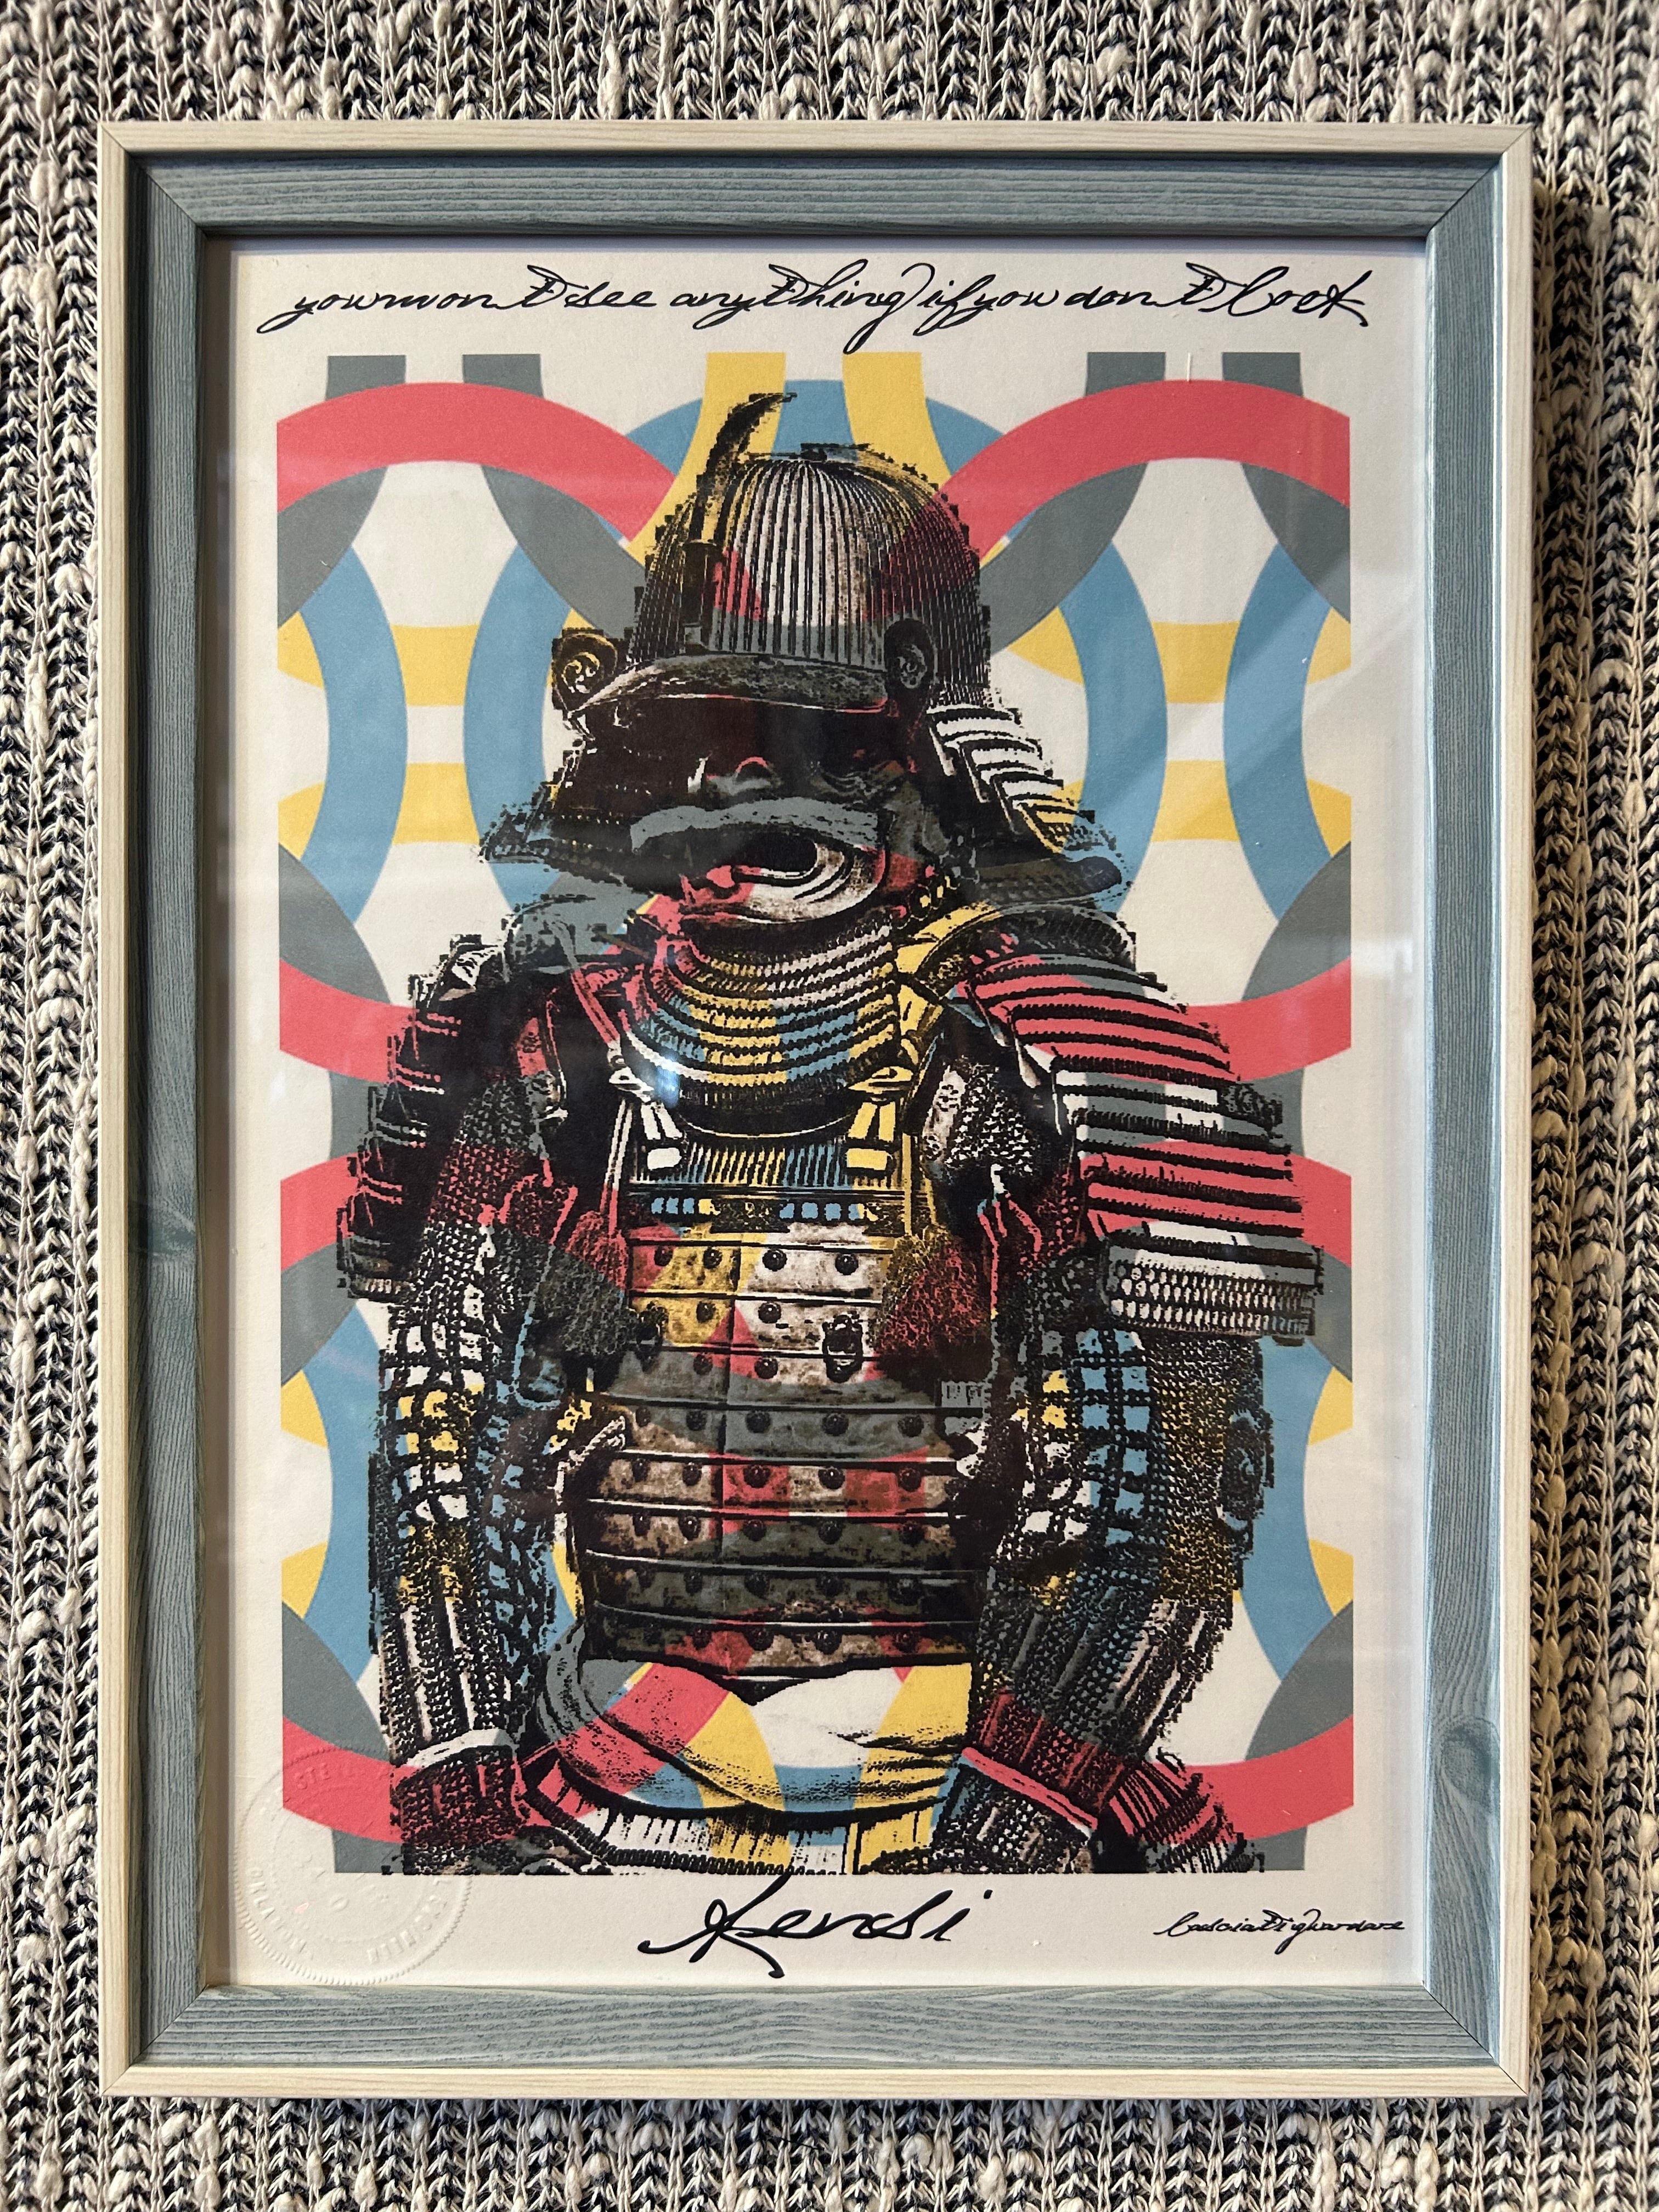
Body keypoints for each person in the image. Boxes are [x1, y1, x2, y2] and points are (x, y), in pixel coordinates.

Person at [340, 392, 1320, 1876]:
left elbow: (1151, 1497)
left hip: (981, 1780)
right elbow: (448, 1437)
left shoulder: (1060, 1054)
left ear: (921, 761)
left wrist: (1009, 1831)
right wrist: (465, 1785)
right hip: (607, 1773)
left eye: (802, 742)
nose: (739, 790)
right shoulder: (547, 1059)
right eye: (702, 737)